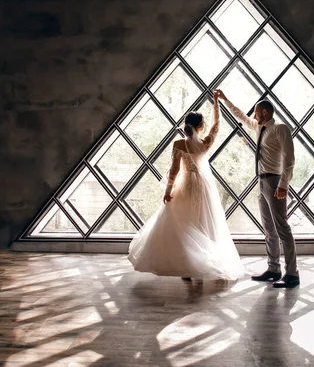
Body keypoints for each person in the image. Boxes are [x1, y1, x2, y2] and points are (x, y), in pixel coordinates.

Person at [128, 90, 245, 281]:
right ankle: (201, 265)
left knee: (184, 223)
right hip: (202, 185)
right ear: (200, 127)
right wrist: (216, 104)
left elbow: (174, 170)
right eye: (203, 125)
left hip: (185, 183)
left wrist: (168, 191)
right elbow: (216, 126)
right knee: (203, 223)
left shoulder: (178, 144)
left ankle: (187, 268)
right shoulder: (205, 143)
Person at [216, 89, 299, 288]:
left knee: (282, 228)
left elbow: (290, 160)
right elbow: (241, 116)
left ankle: (292, 274)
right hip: (261, 181)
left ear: (264, 112)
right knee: (269, 229)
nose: (254, 115)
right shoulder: (259, 127)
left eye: (256, 112)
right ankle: (273, 269)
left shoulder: (281, 128)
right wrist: (225, 100)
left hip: (275, 181)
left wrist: (283, 185)